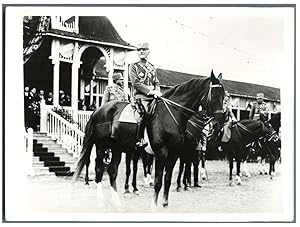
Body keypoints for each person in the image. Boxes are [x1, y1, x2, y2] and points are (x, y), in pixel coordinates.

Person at [129, 42, 161, 148]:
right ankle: (140, 139)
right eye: (139, 50)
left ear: (148, 51)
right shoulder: (134, 66)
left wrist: (157, 91)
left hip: (153, 97)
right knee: (144, 113)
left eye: (144, 49)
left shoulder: (152, 67)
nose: (141, 51)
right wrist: (150, 91)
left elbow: (156, 82)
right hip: (141, 97)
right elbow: (136, 83)